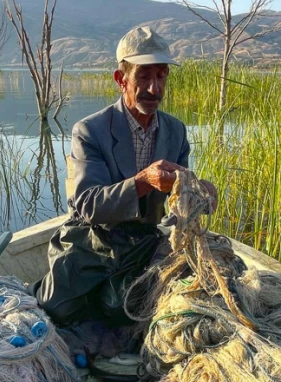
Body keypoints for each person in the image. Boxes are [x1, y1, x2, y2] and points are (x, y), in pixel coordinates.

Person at [34, 27, 216, 327]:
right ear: (122, 80)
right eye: (144, 76)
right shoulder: (89, 131)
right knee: (55, 308)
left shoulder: (175, 131)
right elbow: (88, 205)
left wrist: (200, 196)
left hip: (143, 241)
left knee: (124, 308)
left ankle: (111, 300)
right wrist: (143, 182)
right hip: (92, 238)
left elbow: (177, 206)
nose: (155, 89)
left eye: (161, 76)